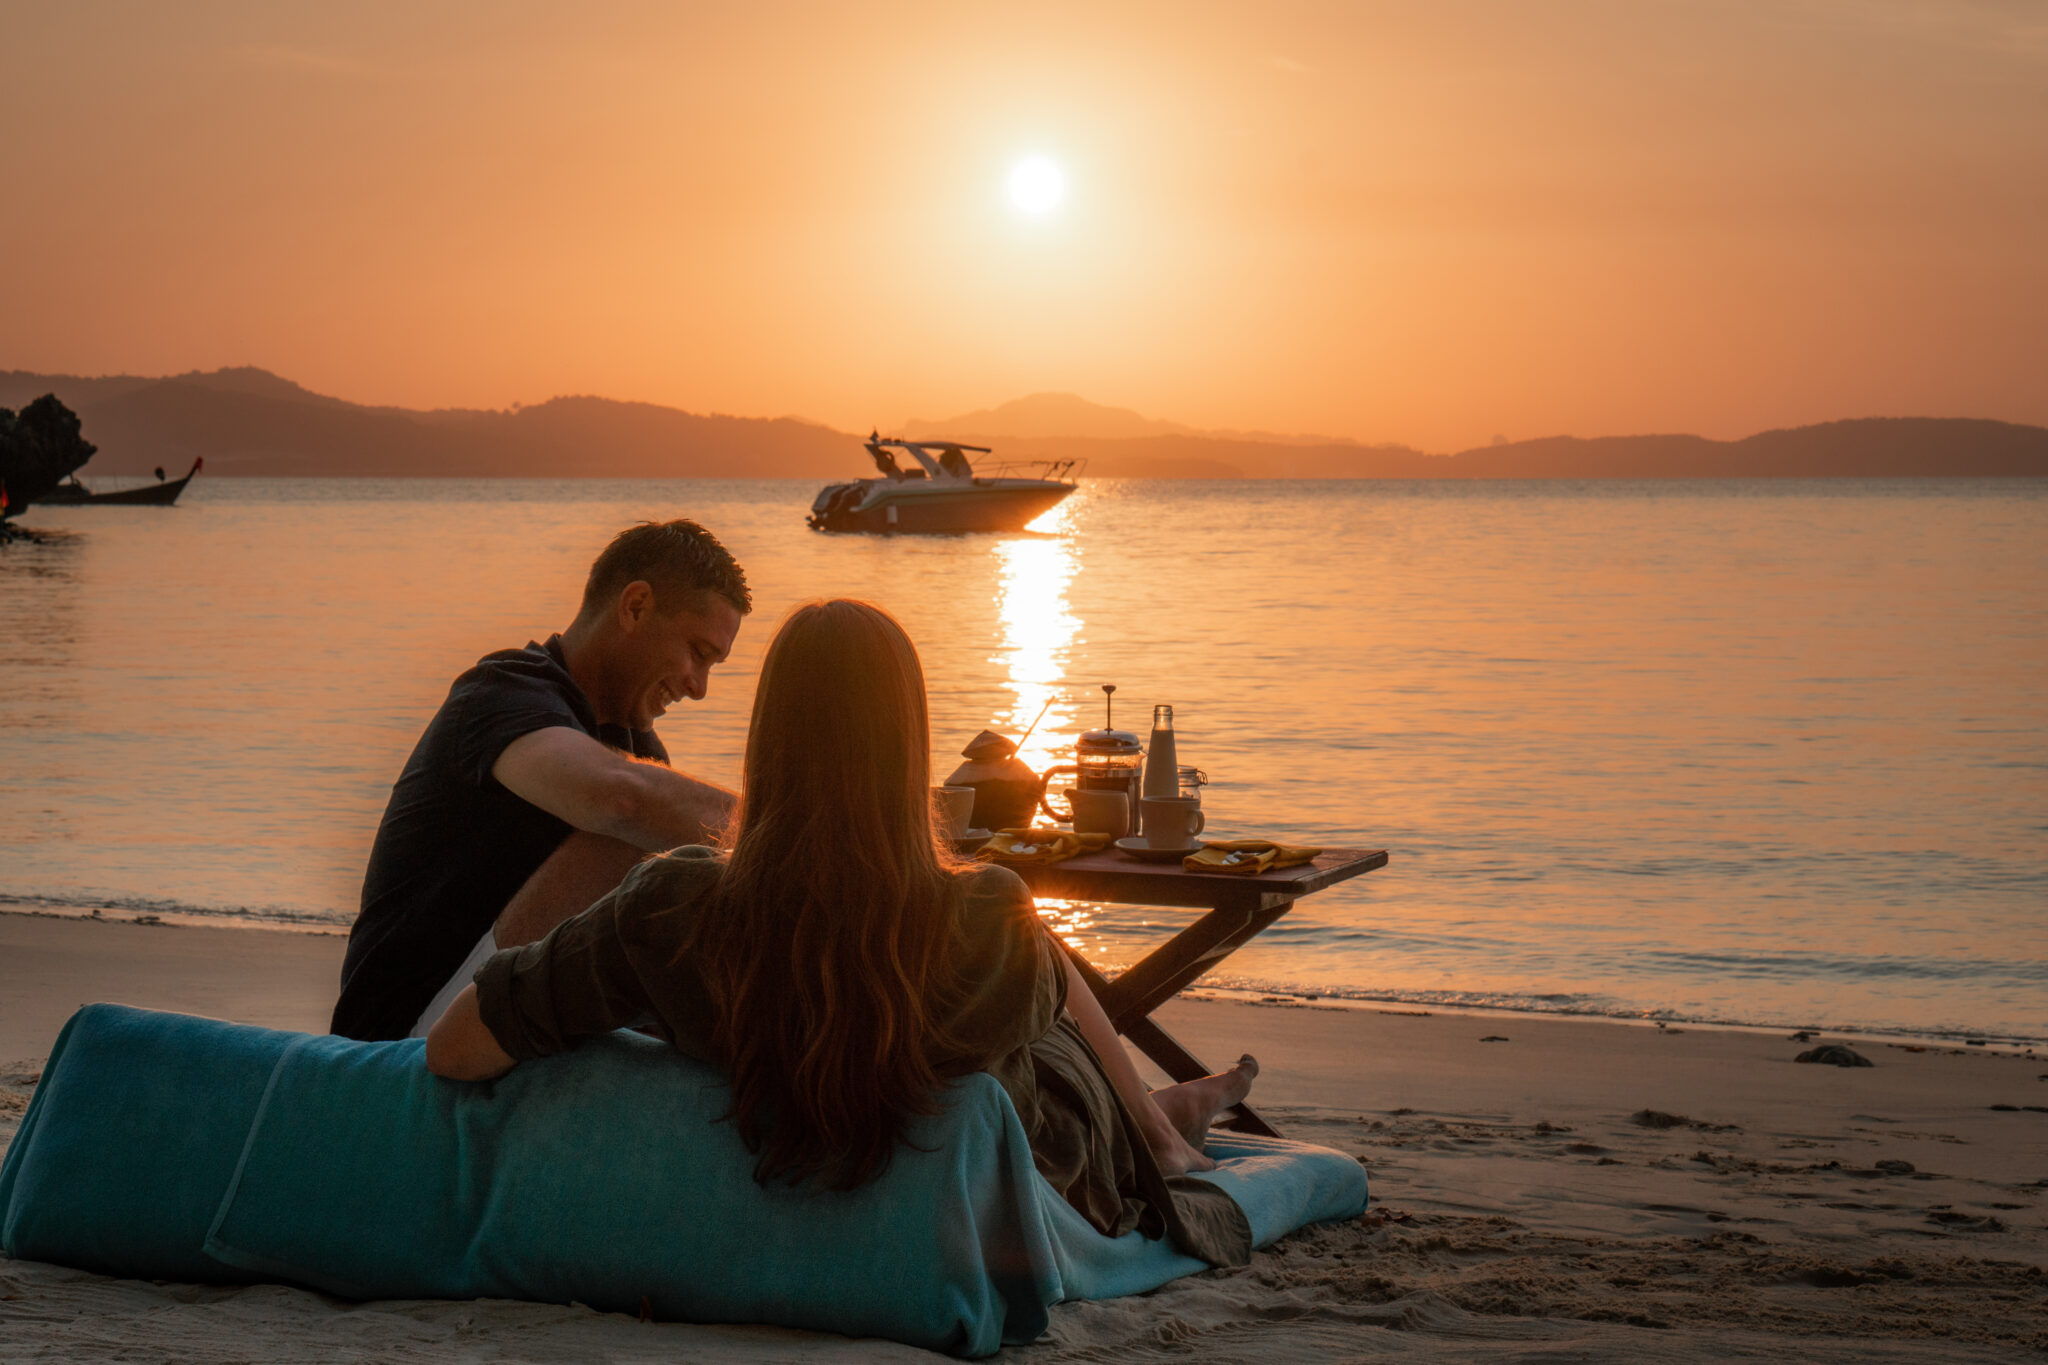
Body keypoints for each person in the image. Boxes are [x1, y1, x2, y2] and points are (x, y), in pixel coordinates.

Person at [424, 599, 1261, 1267]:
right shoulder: (986, 917)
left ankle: (1164, 1116)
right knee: (1031, 961)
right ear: (909, 748)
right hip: (1037, 1168)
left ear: (768, 742)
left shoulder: (667, 909)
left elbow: (453, 1049)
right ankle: (1162, 1127)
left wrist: (637, 1040)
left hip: (777, 1041)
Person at [330, 519, 752, 1042]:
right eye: (698, 652)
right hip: (403, 1039)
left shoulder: (639, 750)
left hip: (501, 1009)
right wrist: (795, 829)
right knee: (640, 841)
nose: (699, 687)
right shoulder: (501, 692)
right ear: (636, 606)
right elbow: (618, 799)